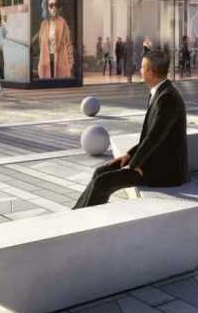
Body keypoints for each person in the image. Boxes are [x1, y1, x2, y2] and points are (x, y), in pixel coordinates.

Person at [73, 49, 188, 209]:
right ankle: (77, 214)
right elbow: (150, 135)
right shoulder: (160, 92)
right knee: (101, 172)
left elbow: (154, 138)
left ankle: (86, 221)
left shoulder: (167, 98)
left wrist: (133, 165)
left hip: (164, 171)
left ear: (151, 72)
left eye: (142, 67)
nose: (139, 70)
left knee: (103, 182)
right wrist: (128, 155)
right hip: (152, 160)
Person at [36, 0, 74, 79]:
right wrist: (40, 64)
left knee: (59, 88)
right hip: (46, 62)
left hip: (61, 63)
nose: (54, 8)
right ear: (47, 7)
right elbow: (41, 45)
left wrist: (70, 63)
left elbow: (69, 44)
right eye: (51, 5)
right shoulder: (44, 24)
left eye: (56, 5)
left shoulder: (62, 22)